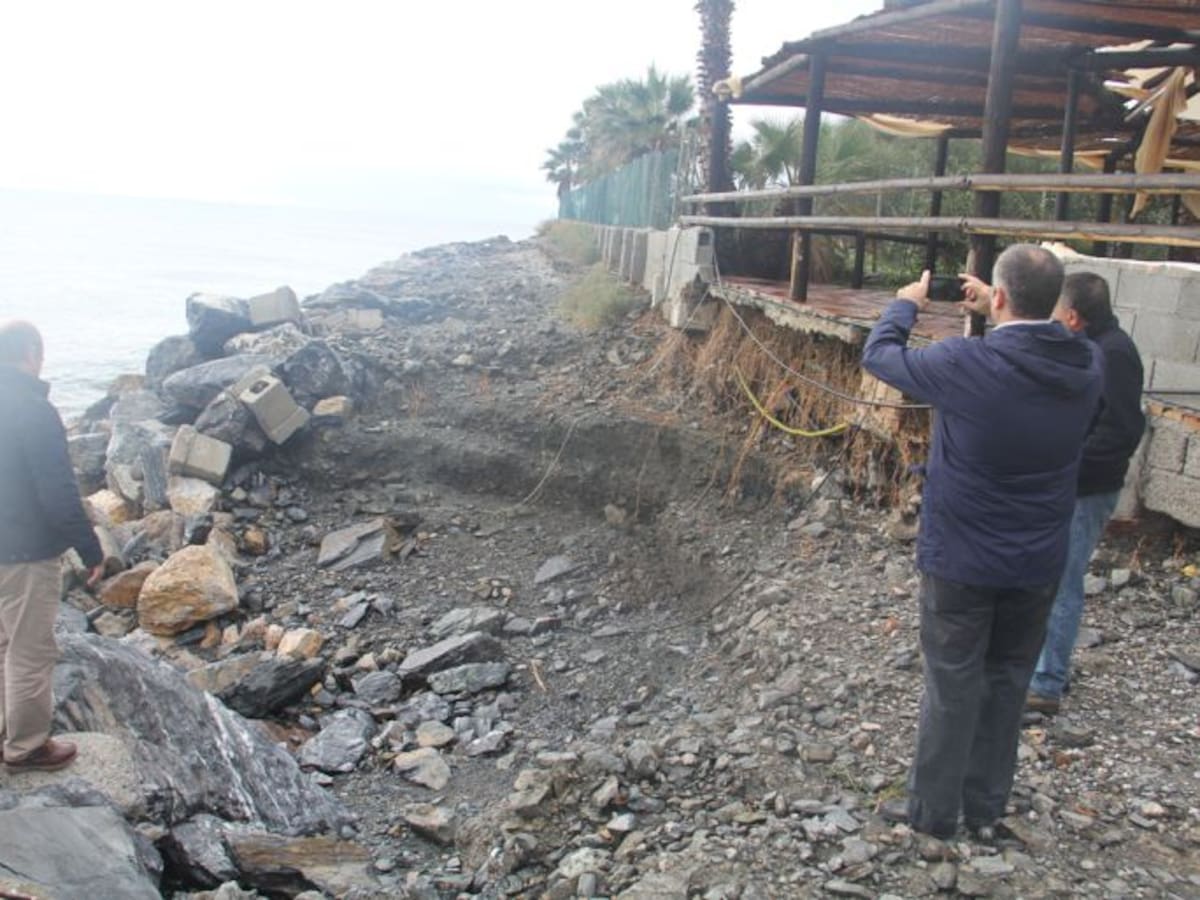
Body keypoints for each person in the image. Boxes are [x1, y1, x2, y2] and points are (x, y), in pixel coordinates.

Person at [861, 245, 1102, 839]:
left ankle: (934, 814)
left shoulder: (963, 363)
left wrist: (905, 305)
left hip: (962, 559)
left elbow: (880, 355)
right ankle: (986, 808)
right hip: (1037, 560)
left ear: (1000, 297)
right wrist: (996, 310)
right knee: (1007, 683)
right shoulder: (1088, 364)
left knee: (953, 683)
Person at [1026, 273, 1145, 714]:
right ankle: (1042, 666)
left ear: (1074, 317)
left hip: (1087, 489)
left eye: (1057, 311)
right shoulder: (1090, 344)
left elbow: (1122, 431)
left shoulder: (1114, 354)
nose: (1053, 318)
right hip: (1069, 484)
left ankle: (1047, 683)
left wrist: (1065, 462)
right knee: (1046, 578)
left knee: (1062, 582)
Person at [0, 320, 104, 772]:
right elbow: (56, 490)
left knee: (4, 645)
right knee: (29, 650)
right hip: (25, 551)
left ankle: (6, 729)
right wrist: (89, 547)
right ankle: (26, 747)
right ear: (31, 353)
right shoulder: (32, 409)